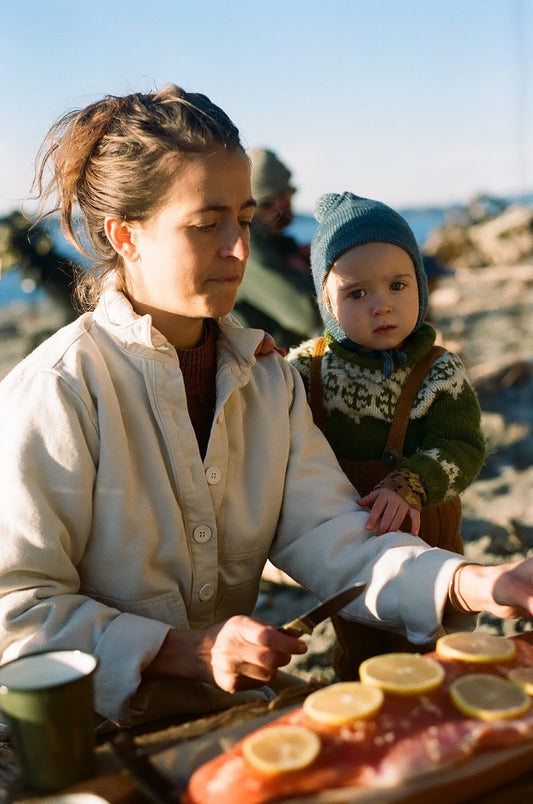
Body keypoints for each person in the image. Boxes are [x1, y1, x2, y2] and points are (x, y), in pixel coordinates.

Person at [0, 86, 533, 732]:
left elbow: (333, 539)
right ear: (124, 236)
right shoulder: (57, 390)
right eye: (206, 224)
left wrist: (480, 583)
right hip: (85, 744)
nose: (239, 250)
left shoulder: (270, 381)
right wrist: (185, 651)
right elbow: (16, 612)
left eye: (245, 220)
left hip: (234, 723)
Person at [288, 192, 486, 678]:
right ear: (326, 303)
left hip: (427, 531)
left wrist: (412, 482)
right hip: (346, 537)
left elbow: (463, 447)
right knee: (359, 645)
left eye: (398, 285)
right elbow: (268, 420)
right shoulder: (307, 369)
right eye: (357, 293)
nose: (382, 306)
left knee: (437, 646)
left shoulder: (438, 372)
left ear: (420, 285)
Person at [232, 147, 321, 352]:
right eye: (290, 194)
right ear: (277, 200)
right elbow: (305, 315)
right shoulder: (248, 248)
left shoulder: (271, 245)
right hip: (256, 375)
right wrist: (304, 273)